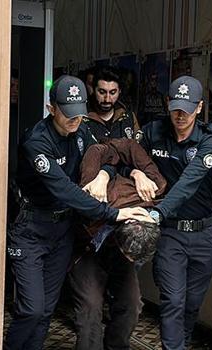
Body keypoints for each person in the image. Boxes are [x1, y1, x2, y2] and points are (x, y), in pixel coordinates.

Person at [3, 75, 150, 350]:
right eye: (68, 114)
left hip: (63, 233)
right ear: (52, 108)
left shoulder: (82, 131)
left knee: (46, 309)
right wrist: (114, 214)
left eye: (79, 114)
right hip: (31, 230)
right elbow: (64, 190)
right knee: (31, 309)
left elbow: (110, 154)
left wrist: (105, 174)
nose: (75, 120)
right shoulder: (36, 141)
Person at [132, 76, 212, 350]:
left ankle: (177, 345)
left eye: (188, 108)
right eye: (176, 107)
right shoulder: (151, 132)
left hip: (204, 233)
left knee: (192, 303)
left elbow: (189, 182)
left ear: (199, 107)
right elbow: (127, 158)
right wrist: (136, 172)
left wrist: (157, 213)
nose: (180, 114)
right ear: (167, 103)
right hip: (170, 232)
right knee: (173, 301)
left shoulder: (211, 139)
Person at [69, 138, 166, 350]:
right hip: (88, 251)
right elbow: (97, 149)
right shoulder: (93, 193)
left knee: (132, 305)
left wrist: (137, 173)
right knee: (90, 309)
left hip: (118, 255)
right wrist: (103, 175)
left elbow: (131, 147)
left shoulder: (154, 188)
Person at [84, 67, 140, 143]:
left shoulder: (128, 117)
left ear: (119, 91)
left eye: (112, 93)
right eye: (102, 92)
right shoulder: (82, 118)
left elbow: (138, 149)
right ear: (94, 90)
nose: (107, 99)